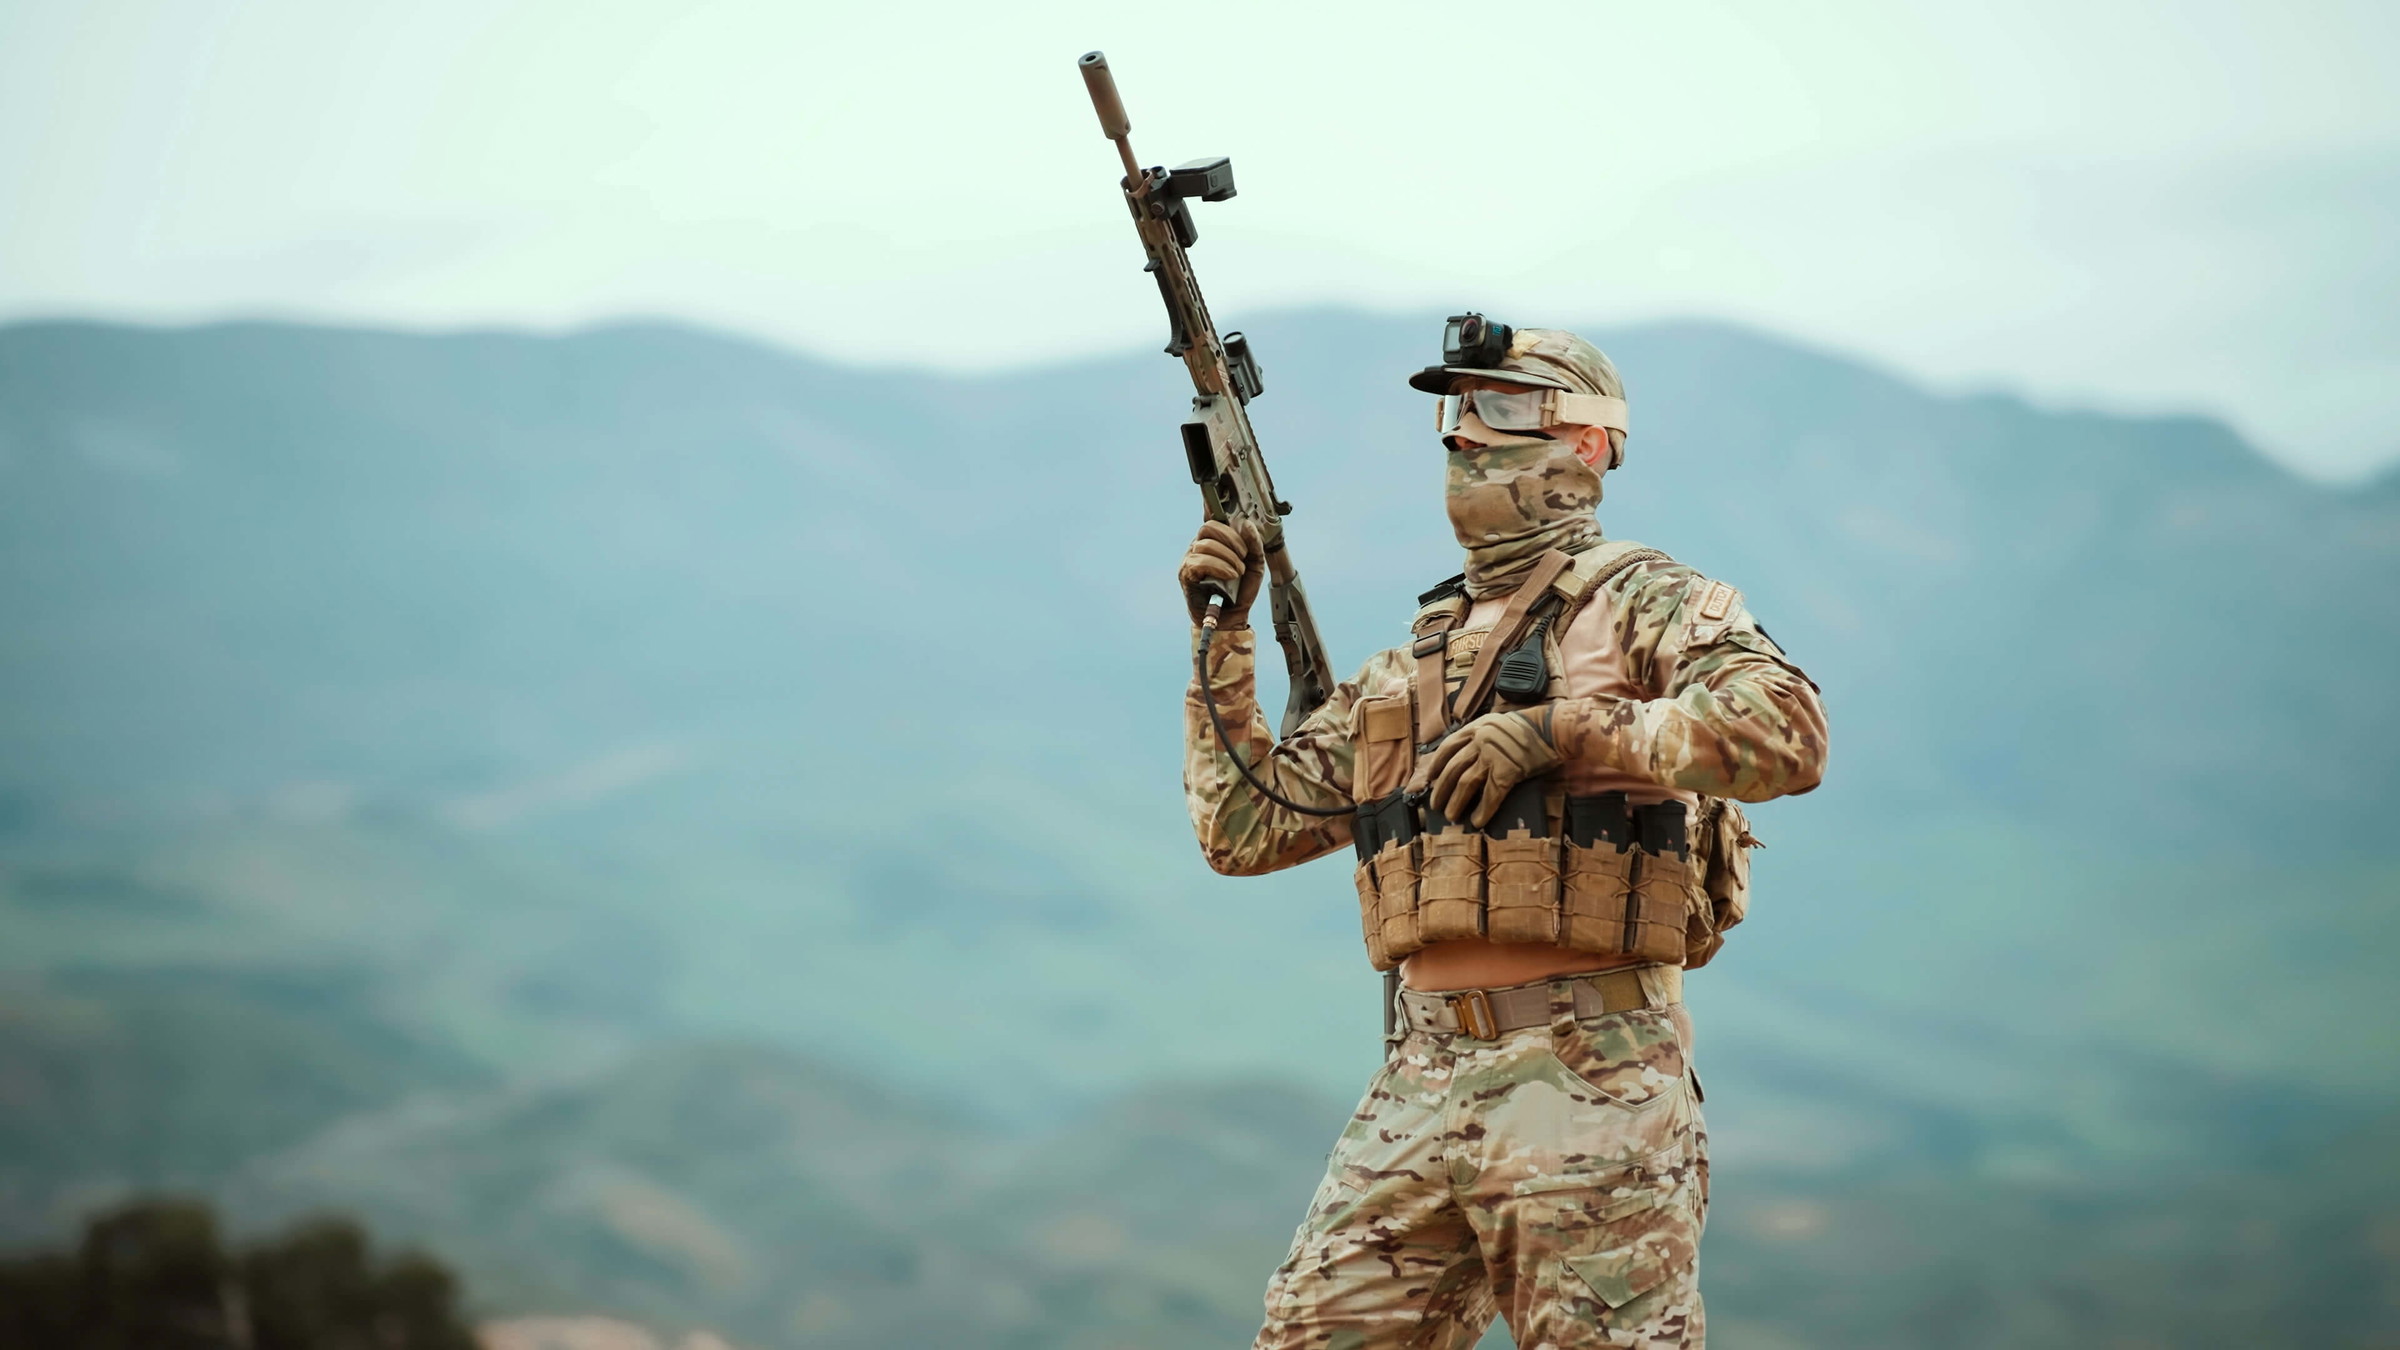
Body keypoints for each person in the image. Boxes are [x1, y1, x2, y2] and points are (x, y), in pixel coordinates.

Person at [1179, 322, 1829, 1348]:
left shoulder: (1644, 602)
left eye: (1504, 408)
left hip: (1591, 1068)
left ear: (1589, 443)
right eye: (1455, 413)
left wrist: (1560, 731)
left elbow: (1786, 733)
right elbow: (1246, 829)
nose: (1467, 437)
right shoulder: (1419, 657)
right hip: (1422, 1071)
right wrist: (1222, 636)